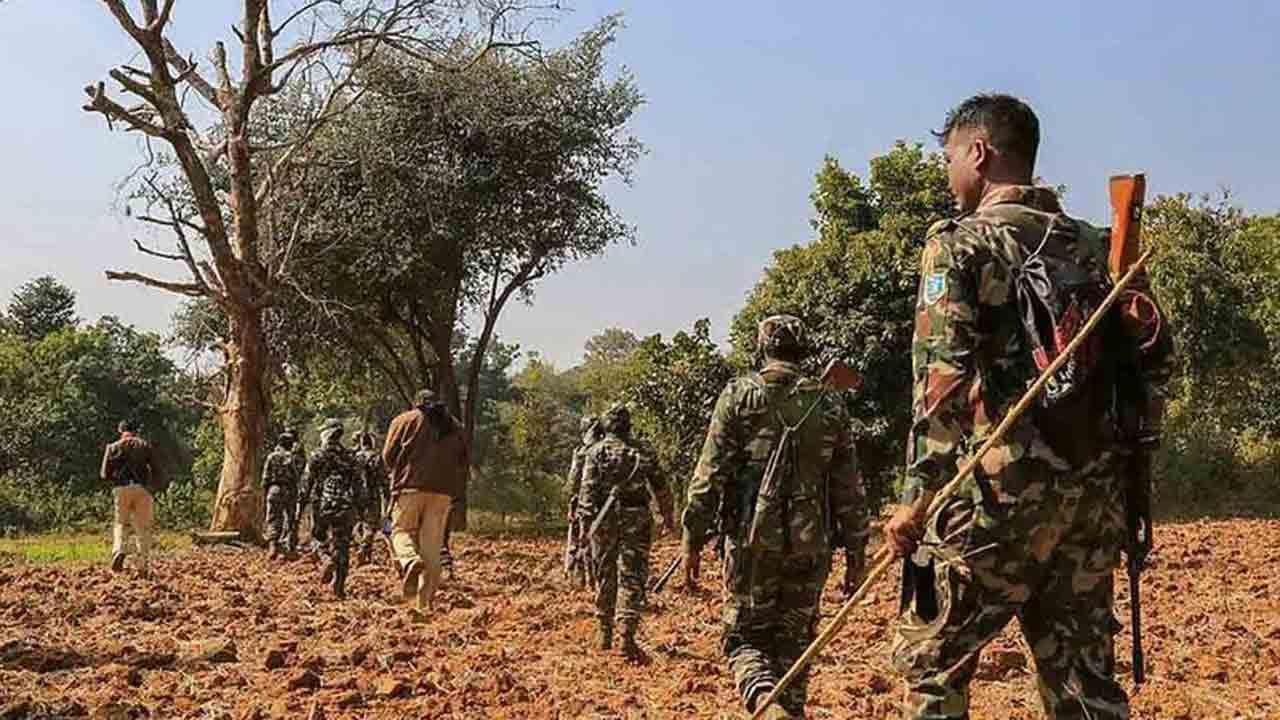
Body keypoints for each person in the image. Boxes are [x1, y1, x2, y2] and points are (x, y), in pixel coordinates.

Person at [884, 94, 1174, 720]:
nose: (948, 172)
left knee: (933, 668)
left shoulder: (957, 246)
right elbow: (1154, 364)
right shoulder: (1101, 247)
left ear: (980, 154)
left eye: (951, 156)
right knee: (1084, 688)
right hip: (1091, 506)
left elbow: (942, 385)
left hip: (996, 499)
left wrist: (917, 495)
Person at [680, 315, 868, 719]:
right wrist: (857, 555)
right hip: (811, 546)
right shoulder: (829, 403)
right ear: (803, 351)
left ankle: (765, 702)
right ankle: (788, 711)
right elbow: (849, 489)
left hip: (751, 546)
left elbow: (708, 479)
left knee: (743, 640)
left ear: (763, 348)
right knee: (794, 645)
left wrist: (692, 541)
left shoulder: (737, 397)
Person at [577, 403, 674, 660]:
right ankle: (626, 638)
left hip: (604, 520)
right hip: (637, 519)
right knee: (632, 577)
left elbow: (586, 494)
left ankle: (604, 632)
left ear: (606, 426)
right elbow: (662, 488)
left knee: (604, 573)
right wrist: (668, 517)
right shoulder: (643, 452)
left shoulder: (595, 452)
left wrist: (585, 529)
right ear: (629, 426)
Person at [382, 389, 468, 610]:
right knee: (432, 549)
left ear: (416, 403)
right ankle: (423, 605)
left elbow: (388, 456)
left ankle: (410, 560)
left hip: (409, 487)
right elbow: (463, 460)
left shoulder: (404, 420)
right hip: (443, 493)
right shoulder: (455, 425)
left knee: (400, 532)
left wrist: (397, 473)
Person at [301, 418, 363, 599]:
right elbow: (359, 485)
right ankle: (339, 587)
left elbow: (307, 483)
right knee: (342, 544)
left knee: (317, 538)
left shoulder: (317, 455)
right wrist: (360, 510)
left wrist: (301, 505)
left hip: (322, 504)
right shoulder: (351, 457)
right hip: (346, 505)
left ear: (326, 433)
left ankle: (326, 558)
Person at [100, 419, 163, 574]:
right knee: (143, 528)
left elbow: (104, 474)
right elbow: (157, 470)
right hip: (142, 489)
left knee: (121, 523)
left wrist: (115, 480)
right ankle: (142, 565)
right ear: (136, 431)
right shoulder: (145, 446)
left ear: (120, 431)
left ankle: (119, 550)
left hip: (121, 489)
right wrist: (151, 485)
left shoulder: (112, 447)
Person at [563, 415, 602, 586]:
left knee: (579, 543)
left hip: (583, 505)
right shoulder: (606, 450)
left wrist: (572, 505)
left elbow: (572, 483)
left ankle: (580, 581)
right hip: (605, 506)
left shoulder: (581, 452)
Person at [262, 431, 304, 560]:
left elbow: (265, 477)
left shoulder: (271, 456)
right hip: (289, 490)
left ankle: (273, 545)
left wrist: (266, 492)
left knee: (273, 518)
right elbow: (295, 477)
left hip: (274, 490)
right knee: (291, 519)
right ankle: (291, 546)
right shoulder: (290, 457)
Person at [353, 431, 390, 565]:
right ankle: (364, 548)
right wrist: (387, 496)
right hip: (372, 495)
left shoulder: (355, 457)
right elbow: (383, 479)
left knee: (360, 523)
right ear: (371, 443)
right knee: (371, 525)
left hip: (357, 496)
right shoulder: (376, 457)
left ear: (361, 443)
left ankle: (365, 555)